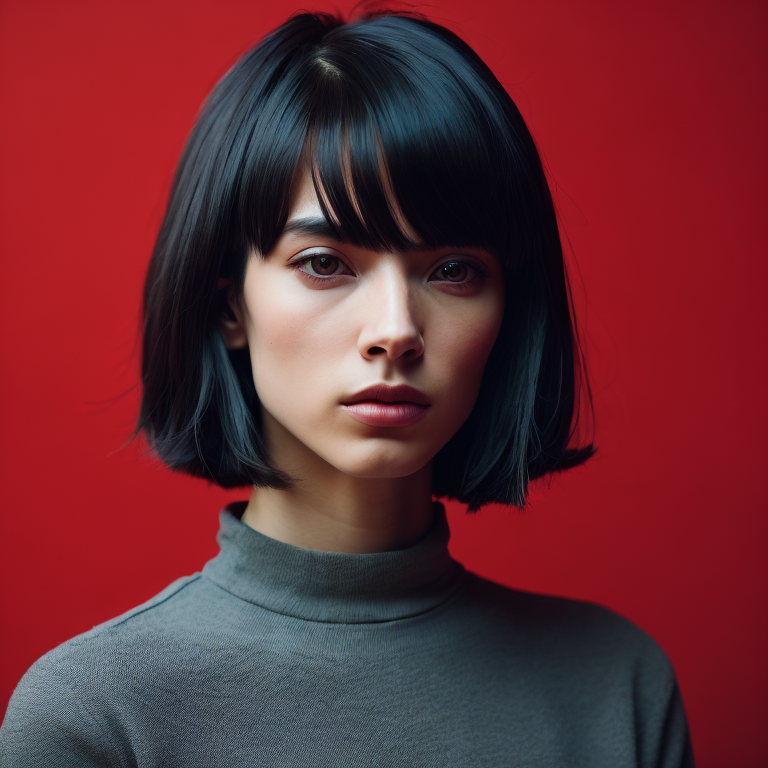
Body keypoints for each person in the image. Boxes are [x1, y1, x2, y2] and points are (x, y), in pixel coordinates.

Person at [0, 7, 694, 766]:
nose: (395, 329)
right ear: (230, 303)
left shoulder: (615, 687)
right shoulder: (94, 718)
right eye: (325, 262)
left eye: (453, 270)